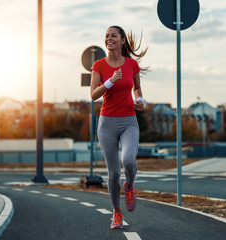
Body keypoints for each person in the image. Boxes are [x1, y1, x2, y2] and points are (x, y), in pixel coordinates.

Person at [90, 25, 148, 229]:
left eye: (113, 35)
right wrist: (109, 82)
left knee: (129, 161)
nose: (109, 38)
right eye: (106, 36)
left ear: (122, 40)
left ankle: (130, 186)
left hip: (129, 121)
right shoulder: (99, 65)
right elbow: (93, 94)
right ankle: (116, 213)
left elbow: (137, 88)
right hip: (106, 123)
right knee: (113, 172)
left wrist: (140, 100)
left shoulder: (132, 65)